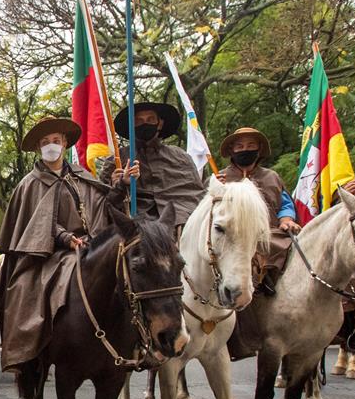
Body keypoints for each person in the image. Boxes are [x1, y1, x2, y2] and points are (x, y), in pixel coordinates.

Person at [0, 117, 132, 370]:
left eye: (56, 141)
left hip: (90, 245)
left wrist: (119, 187)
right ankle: (34, 347)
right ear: (38, 148)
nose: (51, 146)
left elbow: (104, 208)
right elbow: (34, 223)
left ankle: (137, 339)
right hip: (46, 253)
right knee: (25, 288)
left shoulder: (83, 176)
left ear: (65, 143)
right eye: (45, 142)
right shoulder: (29, 184)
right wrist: (65, 238)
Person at [96, 102, 203, 229]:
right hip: (137, 226)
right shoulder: (117, 160)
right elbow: (103, 207)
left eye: (150, 119)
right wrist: (120, 185)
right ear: (132, 126)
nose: (145, 124)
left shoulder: (181, 157)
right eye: (139, 121)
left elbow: (197, 195)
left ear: (160, 123)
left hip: (181, 223)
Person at [217, 127, 297, 295]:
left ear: (258, 149)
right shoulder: (221, 177)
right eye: (240, 146)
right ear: (232, 150)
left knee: (289, 244)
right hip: (234, 234)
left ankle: (276, 281)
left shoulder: (272, 177)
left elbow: (285, 204)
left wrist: (286, 220)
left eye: (250, 145)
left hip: (268, 232)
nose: (245, 150)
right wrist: (217, 189)